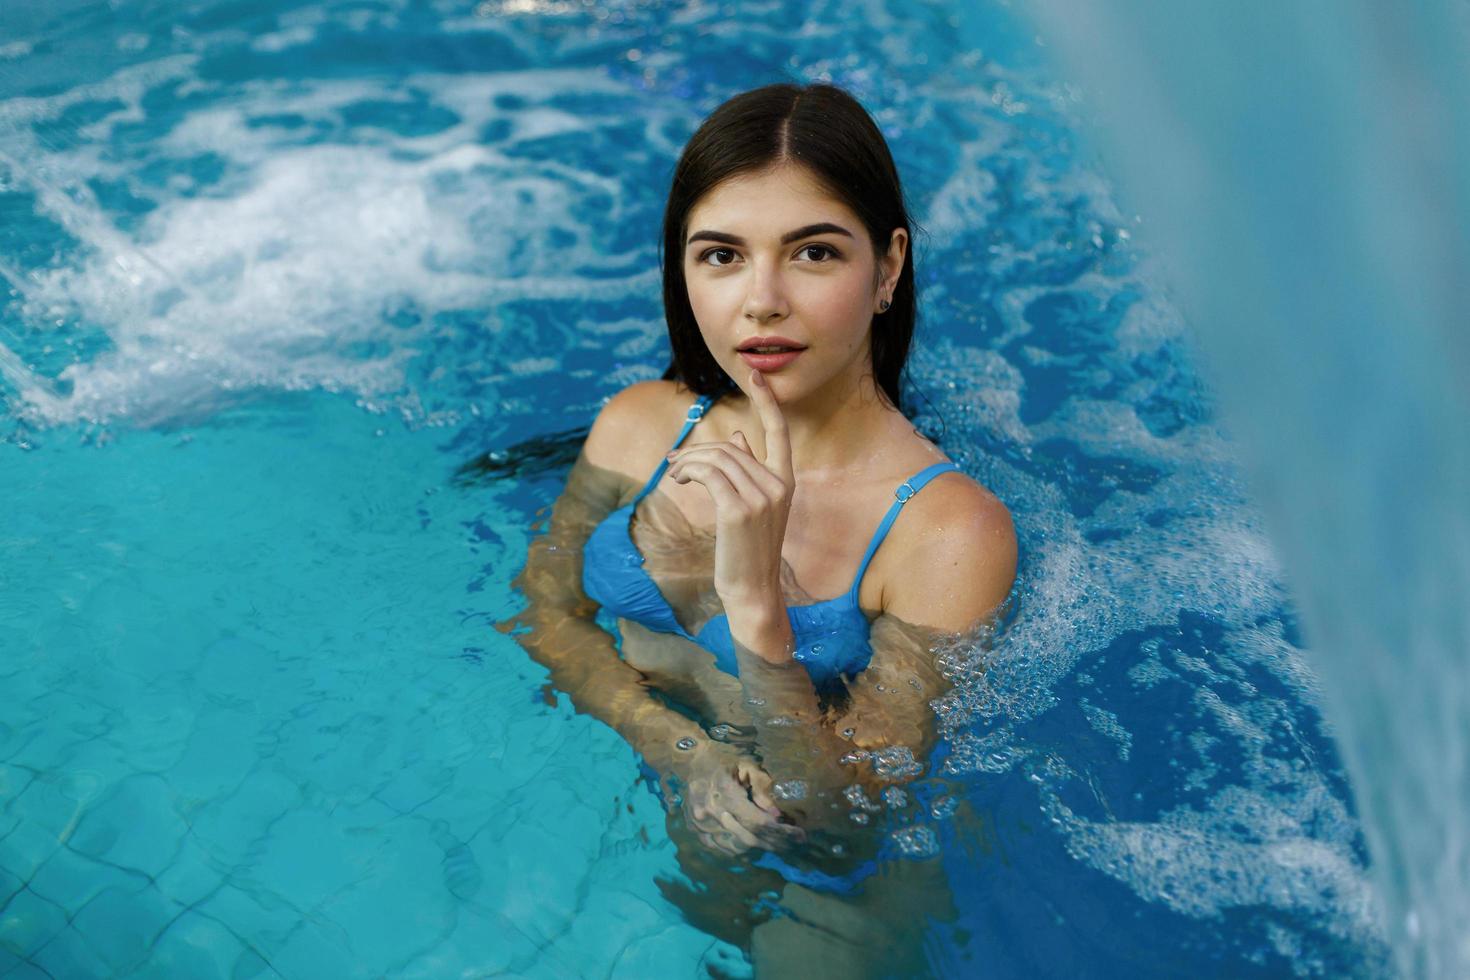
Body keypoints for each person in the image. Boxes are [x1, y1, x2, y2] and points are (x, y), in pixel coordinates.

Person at [499, 82, 1017, 977]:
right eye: (722, 256)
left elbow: (849, 819)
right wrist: (683, 753)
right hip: (669, 795)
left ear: (889, 266)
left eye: (813, 253)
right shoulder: (641, 426)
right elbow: (545, 615)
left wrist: (759, 615)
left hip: (840, 889)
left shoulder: (948, 533)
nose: (761, 301)